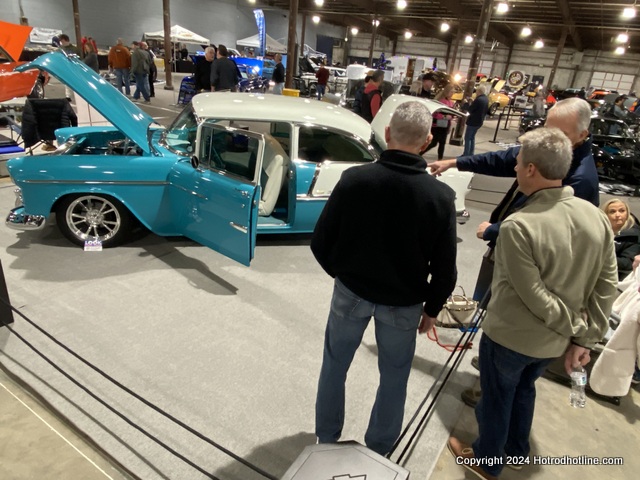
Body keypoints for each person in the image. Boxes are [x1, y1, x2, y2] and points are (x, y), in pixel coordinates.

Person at [448, 127, 617, 480]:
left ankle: (487, 462)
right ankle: (516, 451)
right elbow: (606, 286)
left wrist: (576, 328)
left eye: (518, 162)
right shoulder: (596, 217)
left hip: (510, 337)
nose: (514, 168)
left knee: (496, 398)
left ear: (530, 169)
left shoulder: (518, 226)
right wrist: (584, 339)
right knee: (524, 390)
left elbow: (535, 296)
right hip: (552, 344)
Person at [431, 97, 601, 407]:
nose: (547, 138)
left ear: (581, 134)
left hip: (530, 271)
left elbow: (549, 233)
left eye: (558, 133)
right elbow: (504, 159)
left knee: (509, 344)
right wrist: (455, 162)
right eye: (546, 128)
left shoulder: (580, 180)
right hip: (512, 253)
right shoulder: (546, 153)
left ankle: (493, 387)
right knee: (498, 322)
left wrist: (496, 231)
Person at [312, 101, 458, 457]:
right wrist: (433, 308)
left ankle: (327, 439)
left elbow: (321, 241)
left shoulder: (354, 179)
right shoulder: (440, 197)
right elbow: (445, 267)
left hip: (352, 292)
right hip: (403, 303)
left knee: (334, 365)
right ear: (427, 142)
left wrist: (343, 274)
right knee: (394, 376)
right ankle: (379, 449)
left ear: (388, 133)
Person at [601, 198, 640, 281]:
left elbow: (628, 263)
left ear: (627, 214)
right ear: (605, 215)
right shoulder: (599, 230)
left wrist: (601, 258)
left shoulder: (634, 235)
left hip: (618, 277)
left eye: (622, 211)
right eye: (612, 212)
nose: (618, 215)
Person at [425, 84, 455, 160]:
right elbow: (435, 114)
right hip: (437, 125)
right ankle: (420, 153)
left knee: (442, 143)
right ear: (447, 92)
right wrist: (444, 117)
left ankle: (440, 159)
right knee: (434, 143)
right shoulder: (441, 101)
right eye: (451, 92)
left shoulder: (451, 102)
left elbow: (452, 114)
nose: (452, 94)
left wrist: (450, 120)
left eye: (453, 92)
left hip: (445, 125)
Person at [462, 84, 489, 156]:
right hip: (479, 122)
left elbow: (470, 109)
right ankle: (471, 153)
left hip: (473, 122)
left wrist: (466, 103)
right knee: (472, 138)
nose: (476, 92)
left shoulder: (478, 100)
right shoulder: (485, 99)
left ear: (479, 91)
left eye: (476, 91)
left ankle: (466, 154)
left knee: (467, 138)